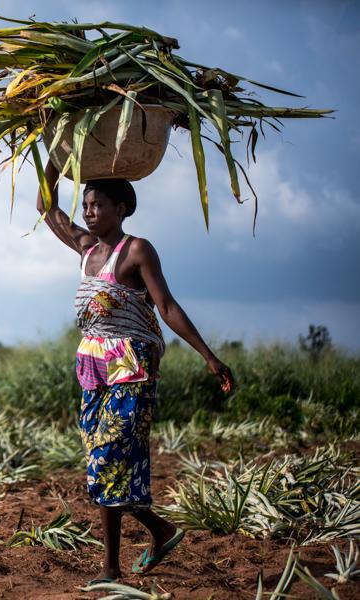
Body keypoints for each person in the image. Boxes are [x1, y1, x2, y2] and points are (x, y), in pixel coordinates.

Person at [35, 159, 234, 583]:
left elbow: (167, 307)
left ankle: (120, 560)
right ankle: (145, 541)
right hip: (92, 366)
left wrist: (209, 356)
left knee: (107, 459)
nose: (89, 211)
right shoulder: (86, 247)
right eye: (86, 204)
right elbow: (45, 206)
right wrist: (53, 159)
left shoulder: (137, 250)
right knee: (102, 466)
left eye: (99, 204)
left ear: (122, 209)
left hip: (130, 364)